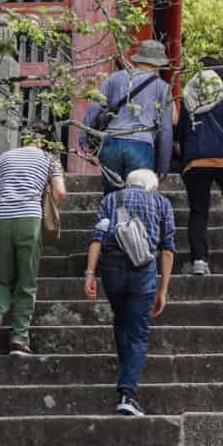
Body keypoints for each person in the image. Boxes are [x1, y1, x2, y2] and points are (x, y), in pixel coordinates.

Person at [84, 169, 175, 416]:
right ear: (152, 186)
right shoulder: (161, 202)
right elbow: (167, 249)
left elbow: (97, 238)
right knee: (137, 331)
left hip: (111, 267)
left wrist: (90, 274)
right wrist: (163, 290)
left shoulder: (110, 200)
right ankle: (128, 393)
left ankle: (126, 376)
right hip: (142, 269)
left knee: (121, 319)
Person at [0, 129, 67, 356]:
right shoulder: (48, 159)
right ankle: (19, 341)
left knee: (1, 279)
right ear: (46, 141)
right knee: (26, 281)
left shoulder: (3, 157)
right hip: (29, 219)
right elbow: (60, 192)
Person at [177, 65, 223, 273]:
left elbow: (180, 131)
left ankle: (199, 261)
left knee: (198, 212)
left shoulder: (187, 101)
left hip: (196, 161)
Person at [82, 39, 173, 194]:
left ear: (139, 58)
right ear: (159, 63)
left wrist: (84, 140)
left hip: (110, 143)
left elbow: (95, 108)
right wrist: (163, 165)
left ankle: (112, 218)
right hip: (141, 146)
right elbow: (165, 128)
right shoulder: (163, 88)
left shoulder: (114, 78)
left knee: (112, 197)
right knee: (138, 198)